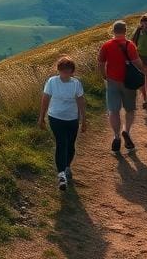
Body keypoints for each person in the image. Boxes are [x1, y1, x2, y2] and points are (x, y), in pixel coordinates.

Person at [38, 55, 87, 191]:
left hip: (72, 119)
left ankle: (66, 167)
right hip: (55, 117)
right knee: (61, 143)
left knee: (70, 144)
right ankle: (61, 176)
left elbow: (81, 101)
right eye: (63, 70)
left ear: (72, 72)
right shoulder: (52, 82)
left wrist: (84, 120)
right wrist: (41, 117)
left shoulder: (76, 83)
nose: (65, 73)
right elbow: (45, 99)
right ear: (58, 70)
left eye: (68, 71)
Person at [98, 20, 145, 154]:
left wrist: (104, 76)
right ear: (125, 31)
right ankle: (126, 131)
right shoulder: (130, 45)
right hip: (129, 83)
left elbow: (101, 63)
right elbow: (137, 62)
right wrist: (143, 71)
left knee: (113, 111)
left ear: (113, 31)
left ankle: (116, 136)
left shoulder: (106, 45)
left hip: (112, 81)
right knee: (130, 110)